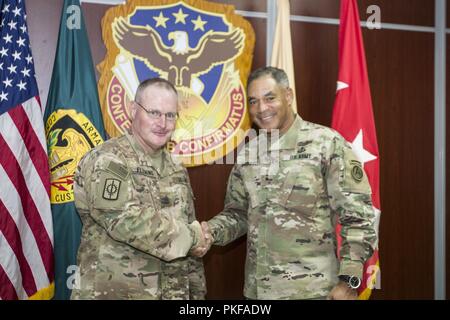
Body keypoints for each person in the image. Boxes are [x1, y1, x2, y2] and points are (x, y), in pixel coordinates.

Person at [196, 67, 378, 300]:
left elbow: (358, 217)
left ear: (288, 96)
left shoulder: (326, 144)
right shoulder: (248, 154)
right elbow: (238, 214)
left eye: (270, 98)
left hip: (313, 292)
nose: (261, 109)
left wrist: (349, 281)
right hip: (257, 293)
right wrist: (209, 232)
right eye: (254, 101)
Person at [72, 78, 208, 299]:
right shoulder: (109, 160)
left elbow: (189, 243)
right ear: (133, 110)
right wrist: (193, 237)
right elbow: (125, 220)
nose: (162, 123)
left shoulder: (176, 168)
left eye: (170, 115)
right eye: (154, 112)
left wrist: (196, 293)